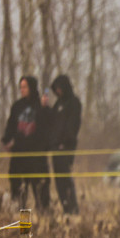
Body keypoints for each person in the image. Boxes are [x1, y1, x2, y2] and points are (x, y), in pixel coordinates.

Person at [2, 75, 52, 210]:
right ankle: (24, 227)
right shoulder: (17, 106)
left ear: (32, 87)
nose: (22, 90)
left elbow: (48, 126)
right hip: (19, 155)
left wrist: (45, 108)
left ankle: (43, 222)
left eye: (25, 87)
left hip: (37, 156)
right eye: (21, 87)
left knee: (40, 190)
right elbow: (11, 125)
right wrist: (6, 140)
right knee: (19, 192)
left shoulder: (40, 105)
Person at [48, 74, 82, 214]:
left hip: (67, 146)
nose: (58, 91)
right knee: (58, 180)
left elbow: (73, 125)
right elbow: (52, 122)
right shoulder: (58, 104)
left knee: (65, 178)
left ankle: (73, 209)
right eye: (56, 89)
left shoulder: (74, 102)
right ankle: (65, 207)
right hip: (56, 147)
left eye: (59, 88)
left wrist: (65, 141)